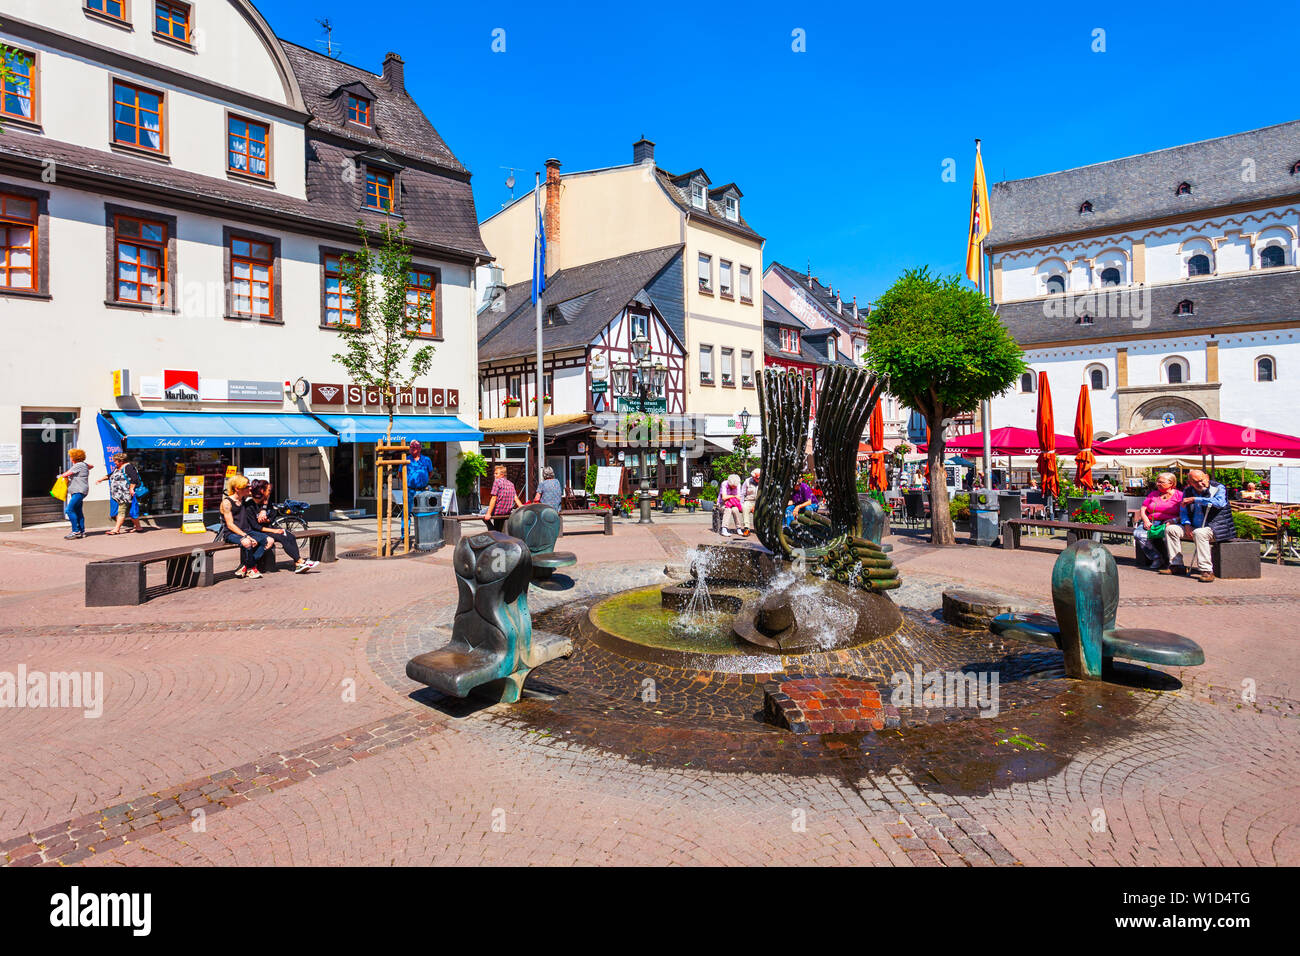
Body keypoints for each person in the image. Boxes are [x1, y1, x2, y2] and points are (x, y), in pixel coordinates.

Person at [1163, 469, 1234, 583]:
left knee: (1199, 533)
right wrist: (1186, 524)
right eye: (1196, 482)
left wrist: (1196, 499)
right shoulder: (1188, 491)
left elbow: (1219, 503)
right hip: (1194, 526)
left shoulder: (1218, 488)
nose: (1201, 484)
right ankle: (1177, 565)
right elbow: (1183, 511)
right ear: (1190, 483)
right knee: (1171, 529)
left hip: (1215, 527)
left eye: (1202, 480)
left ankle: (1206, 571)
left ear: (1207, 476)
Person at [246, 479, 317, 573]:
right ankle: (300, 561)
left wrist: (268, 519)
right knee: (283, 537)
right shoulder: (249, 506)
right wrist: (274, 531)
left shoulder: (266, 503)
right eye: (268, 490)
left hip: (268, 528)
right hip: (258, 532)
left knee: (290, 536)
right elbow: (255, 526)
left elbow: (273, 515)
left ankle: (298, 563)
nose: (270, 492)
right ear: (262, 491)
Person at [219, 474, 271, 580]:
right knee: (247, 542)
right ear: (237, 488)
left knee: (269, 540)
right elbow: (230, 525)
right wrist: (246, 536)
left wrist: (263, 509)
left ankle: (246, 566)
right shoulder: (227, 503)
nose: (250, 488)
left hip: (247, 531)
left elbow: (265, 495)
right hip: (232, 534)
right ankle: (251, 568)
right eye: (247, 487)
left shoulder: (244, 497)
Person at [1134, 472, 1182, 571]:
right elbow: (1143, 509)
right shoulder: (1153, 494)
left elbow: (1185, 513)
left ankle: (1171, 561)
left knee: (1167, 536)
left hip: (1170, 522)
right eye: (1157, 482)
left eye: (1161, 482)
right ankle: (1156, 557)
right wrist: (1146, 520)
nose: (1158, 484)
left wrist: (1174, 520)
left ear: (1171, 483)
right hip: (1152, 522)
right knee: (1139, 534)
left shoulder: (1179, 496)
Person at [394, 440, 434, 535]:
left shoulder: (426, 460)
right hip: (410, 491)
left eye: (415, 447)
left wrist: (423, 480)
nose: (412, 449)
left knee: (424, 513)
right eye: (411, 447)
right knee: (406, 513)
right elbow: (400, 474)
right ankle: (405, 535)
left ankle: (423, 535)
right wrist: (408, 481)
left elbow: (430, 473)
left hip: (423, 491)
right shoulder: (406, 460)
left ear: (420, 448)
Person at [98, 452, 143, 535]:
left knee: (121, 511)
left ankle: (116, 529)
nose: (114, 462)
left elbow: (134, 479)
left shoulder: (128, 467)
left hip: (126, 494)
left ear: (121, 461)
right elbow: (110, 475)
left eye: (115, 461)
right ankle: (138, 527)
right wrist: (100, 479)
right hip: (120, 495)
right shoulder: (118, 468)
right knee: (130, 511)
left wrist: (132, 489)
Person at [56, 449, 92, 539]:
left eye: (71, 456)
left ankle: (75, 531)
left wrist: (59, 476)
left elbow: (66, 474)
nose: (70, 458)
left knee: (69, 510)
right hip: (79, 490)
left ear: (74, 457)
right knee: (78, 511)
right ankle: (82, 531)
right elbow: (92, 466)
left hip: (78, 491)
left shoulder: (78, 465)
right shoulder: (83, 465)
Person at [483, 464, 523, 532]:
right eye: (494, 473)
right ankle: (497, 531)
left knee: (482, 513)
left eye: (496, 473)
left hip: (498, 511)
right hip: (507, 511)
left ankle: (493, 531)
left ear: (502, 475)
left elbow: (494, 498)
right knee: (499, 523)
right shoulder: (511, 484)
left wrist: (488, 513)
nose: (494, 475)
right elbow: (515, 498)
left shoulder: (497, 482)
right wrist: (522, 507)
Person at [739, 468, 761, 536]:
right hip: (749, 500)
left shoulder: (764, 482)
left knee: (760, 510)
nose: (757, 479)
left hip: (759, 501)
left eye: (759, 478)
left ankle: (759, 528)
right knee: (745, 507)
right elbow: (742, 494)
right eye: (756, 478)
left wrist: (756, 505)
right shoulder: (747, 481)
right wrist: (741, 504)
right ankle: (747, 528)